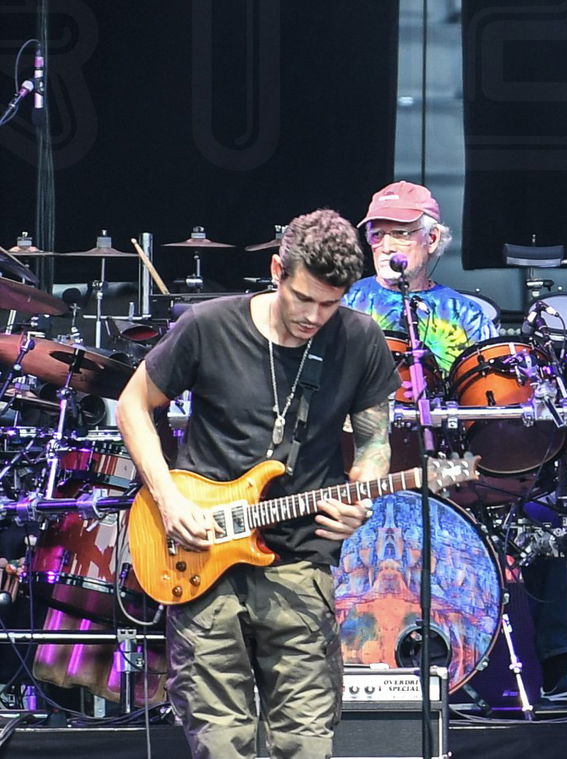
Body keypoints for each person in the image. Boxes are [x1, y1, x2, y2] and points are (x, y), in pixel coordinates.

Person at [117, 209, 401, 758]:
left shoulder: (359, 338)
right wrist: (168, 499)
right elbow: (133, 404)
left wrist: (362, 494)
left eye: (330, 303)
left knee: (305, 739)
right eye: (304, 298)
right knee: (220, 739)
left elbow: (374, 444)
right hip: (201, 553)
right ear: (277, 271)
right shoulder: (208, 325)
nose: (314, 316)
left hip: (299, 559)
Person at [342, 180, 497, 374]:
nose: (386, 247)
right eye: (377, 234)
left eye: (400, 233)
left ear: (432, 239)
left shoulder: (465, 314)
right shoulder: (344, 303)